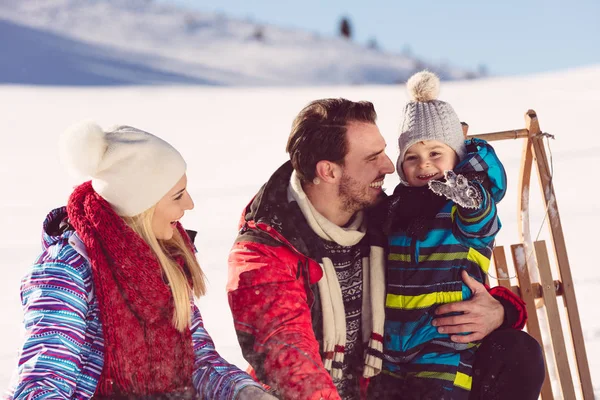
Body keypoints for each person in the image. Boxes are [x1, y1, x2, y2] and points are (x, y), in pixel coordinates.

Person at [226, 98, 532, 400]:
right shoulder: (265, 255)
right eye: (373, 157)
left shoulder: (382, 220)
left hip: (399, 378)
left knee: (518, 351)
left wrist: (500, 311)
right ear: (329, 171)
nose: (389, 166)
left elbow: (443, 274)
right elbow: (293, 370)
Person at [9, 122, 275, 399]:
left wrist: (244, 392)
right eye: (177, 195)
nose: (190, 204)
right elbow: (42, 386)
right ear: (141, 206)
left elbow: (198, 360)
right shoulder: (67, 272)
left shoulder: (164, 259)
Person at [366, 71, 545, 399]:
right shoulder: (394, 209)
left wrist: (469, 196)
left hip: (445, 345)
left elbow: (481, 220)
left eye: (436, 153)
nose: (424, 165)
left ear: (456, 156)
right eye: (412, 157)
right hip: (391, 350)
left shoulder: (459, 207)